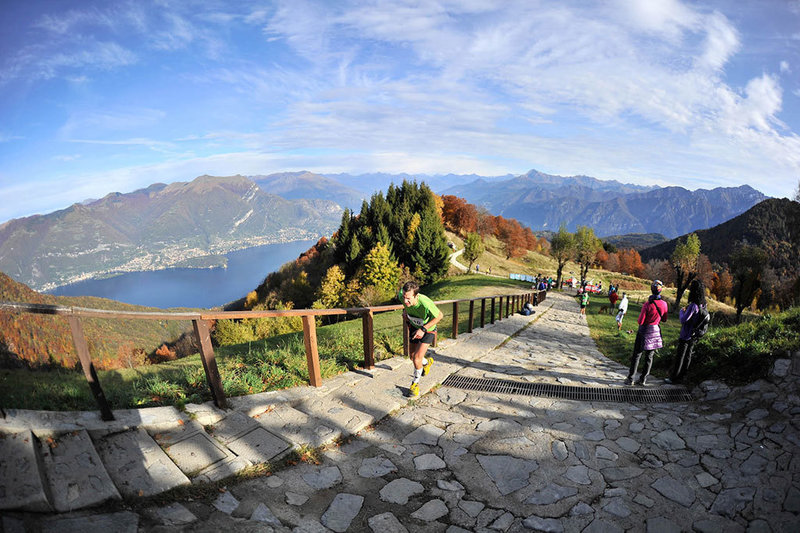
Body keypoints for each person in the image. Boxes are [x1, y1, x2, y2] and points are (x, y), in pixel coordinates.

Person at [399, 281, 443, 397]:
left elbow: (440, 316)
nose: (405, 301)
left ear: (416, 296)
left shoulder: (425, 303)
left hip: (428, 329)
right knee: (412, 356)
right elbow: (405, 305)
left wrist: (423, 329)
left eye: (408, 298)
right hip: (414, 325)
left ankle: (415, 385)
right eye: (403, 297)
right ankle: (427, 362)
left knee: (417, 358)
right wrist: (405, 312)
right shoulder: (401, 295)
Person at [625, 280, 668, 386]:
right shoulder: (664, 304)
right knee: (649, 357)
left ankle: (630, 379)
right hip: (655, 332)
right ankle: (643, 379)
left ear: (651, 290)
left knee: (637, 355)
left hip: (644, 332)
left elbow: (640, 321)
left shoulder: (647, 304)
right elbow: (664, 319)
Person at [665, 279, 707, 384]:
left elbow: (683, 320)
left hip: (686, 334)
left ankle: (674, 378)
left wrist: (681, 312)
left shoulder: (693, 306)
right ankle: (683, 377)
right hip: (694, 335)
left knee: (680, 356)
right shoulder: (703, 305)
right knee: (688, 356)